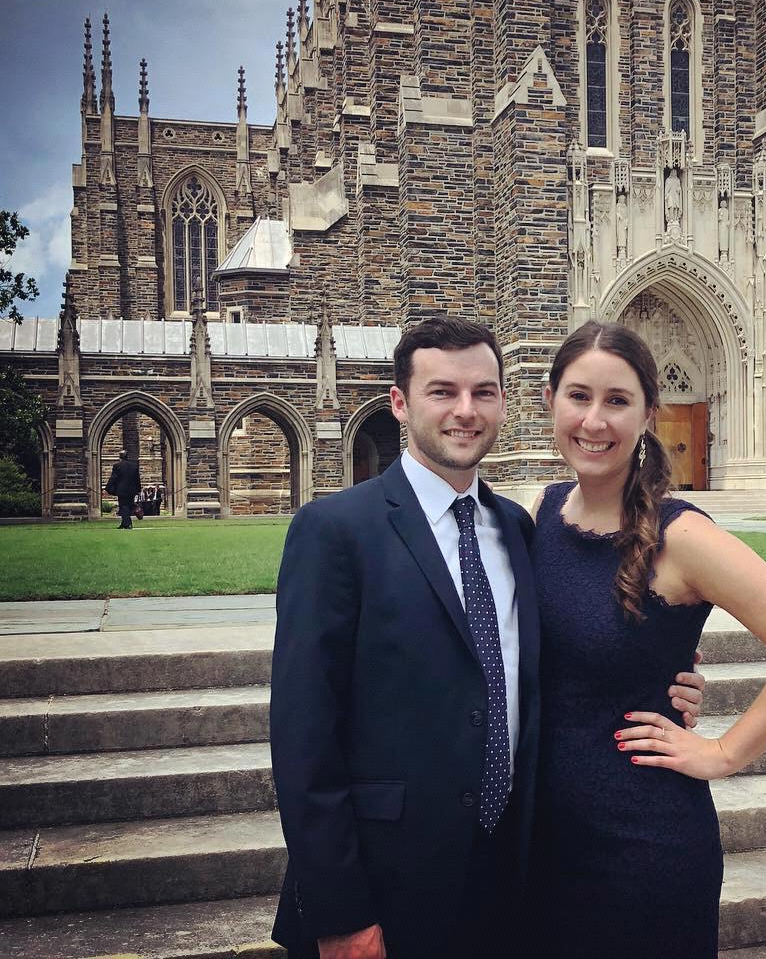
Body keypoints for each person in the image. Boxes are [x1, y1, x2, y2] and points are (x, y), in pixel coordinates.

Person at [269, 316, 704, 959]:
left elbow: (565, 647)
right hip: (386, 887)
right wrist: (341, 914)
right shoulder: (335, 531)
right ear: (400, 403)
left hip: (511, 879)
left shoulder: (516, 528)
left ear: (505, 401)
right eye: (442, 391)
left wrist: (666, 672)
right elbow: (304, 738)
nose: (465, 411)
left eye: (484, 392)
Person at [527, 320, 766, 959]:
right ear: (550, 400)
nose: (594, 420)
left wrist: (723, 753)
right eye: (578, 396)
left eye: (617, 401)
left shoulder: (681, 537)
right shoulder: (540, 512)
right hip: (541, 838)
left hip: (643, 844)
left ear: (649, 413)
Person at [104, 449, 141, 530]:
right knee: (127, 506)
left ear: (120, 457)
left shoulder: (117, 466)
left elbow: (113, 478)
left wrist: (106, 489)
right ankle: (124, 524)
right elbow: (137, 479)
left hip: (122, 490)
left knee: (124, 506)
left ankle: (127, 524)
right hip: (132, 490)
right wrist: (138, 490)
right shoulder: (134, 466)